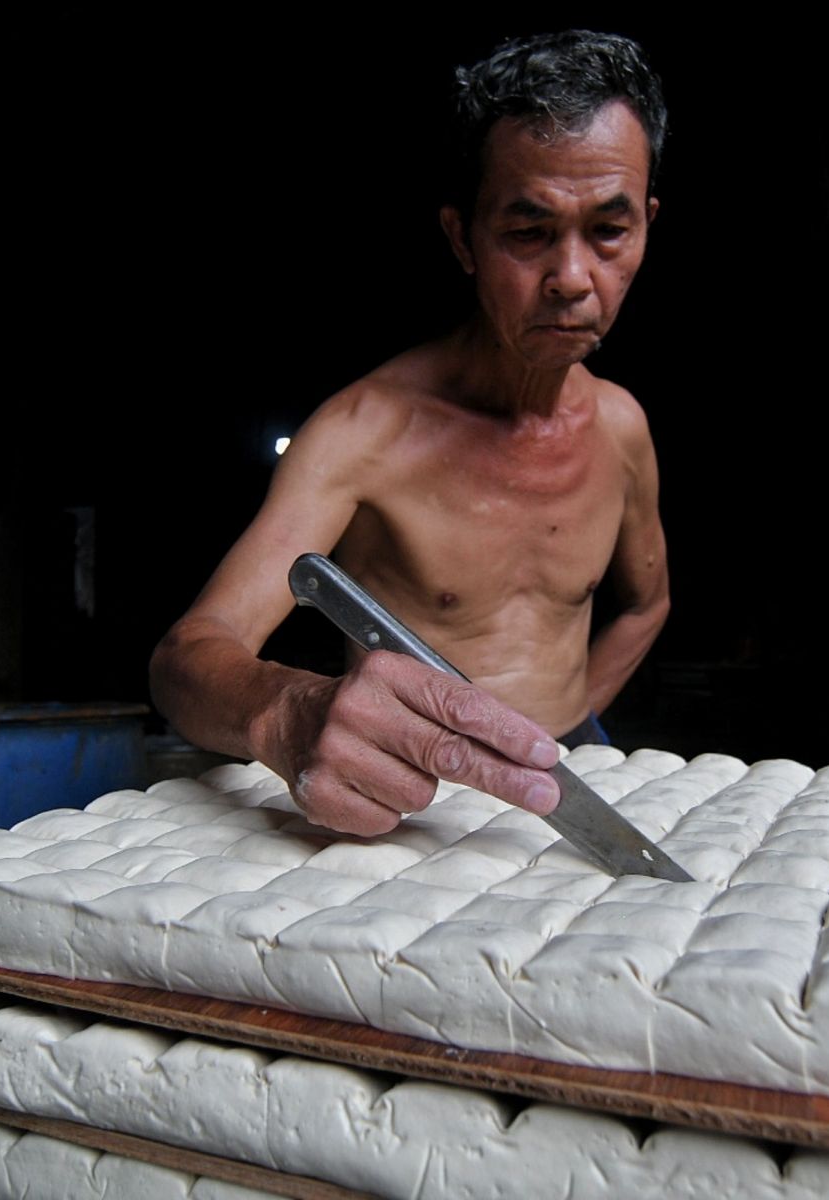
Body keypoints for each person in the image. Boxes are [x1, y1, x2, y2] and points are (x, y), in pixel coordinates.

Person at [150, 31, 669, 838]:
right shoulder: (364, 433)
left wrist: (571, 737)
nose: (572, 278)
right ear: (463, 238)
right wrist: (289, 709)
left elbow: (646, 603)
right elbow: (187, 655)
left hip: (574, 776)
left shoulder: (621, 427)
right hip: (418, 799)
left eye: (608, 230)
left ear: (646, 225)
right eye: (527, 232)